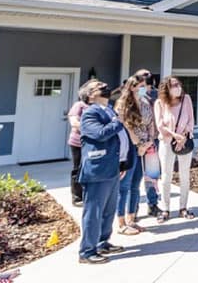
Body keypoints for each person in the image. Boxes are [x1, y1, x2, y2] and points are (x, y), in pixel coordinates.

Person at [78, 79, 127, 264]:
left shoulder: (110, 110)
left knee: (108, 210)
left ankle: (102, 242)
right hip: (98, 170)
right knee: (94, 211)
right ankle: (87, 251)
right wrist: (119, 120)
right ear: (90, 95)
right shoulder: (90, 113)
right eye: (98, 86)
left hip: (112, 168)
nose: (104, 86)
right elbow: (100, 134)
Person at [114, 75, 157, 232]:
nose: (144, 88)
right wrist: (138, 144)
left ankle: (131, 219)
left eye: (144, 86)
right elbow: (126, 126)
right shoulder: (122, 104)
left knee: (135, 184)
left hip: (145, 146)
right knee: (124, 185)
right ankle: (121, 222)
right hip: (130, 148)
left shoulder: (145, 102)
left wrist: (149, 141)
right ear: (132, 87)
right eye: (141, 86)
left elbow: (151, 123)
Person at [154, 76, 195, 221]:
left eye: (178, 84)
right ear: (166, 88)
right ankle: (165, 208)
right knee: (166, 176)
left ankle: (183, 207)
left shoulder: (186, 99)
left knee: (185, 175)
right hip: (166, 142)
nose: (177, 87)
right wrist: (174, 135)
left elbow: (191, 120)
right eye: (173, 85)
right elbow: (160, 125)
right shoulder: (160, 103)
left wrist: (183, 136)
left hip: (184, 141)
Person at [133, 69, 162, 217]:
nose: (147, 77)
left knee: (152, 174)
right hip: (137, 141)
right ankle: (133, 207)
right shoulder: (135, 95)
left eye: (148, 75)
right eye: (143, 76)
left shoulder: (158, 94)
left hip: (154, 139)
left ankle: (153, 204)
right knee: (135, 176)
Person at [68, 84, 91, 207]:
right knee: (78, 168)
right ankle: (77, 196)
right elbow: (74, 122)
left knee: (90, 169)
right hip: (78, 142)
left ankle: (88, 194)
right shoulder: (79, 105)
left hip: (92, 143)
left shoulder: (97, 106)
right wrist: (92, 130)